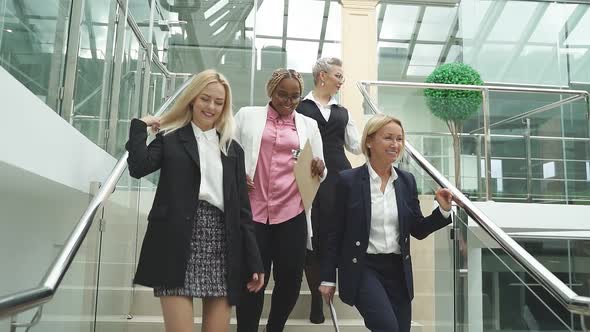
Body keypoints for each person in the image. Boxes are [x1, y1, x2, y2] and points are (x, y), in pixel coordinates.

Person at [125, 69, 265, 332]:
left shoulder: (232, 149)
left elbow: (243, 212)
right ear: (192, 99)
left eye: (218, 102)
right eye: (205, 98)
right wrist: (140, 127)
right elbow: (138, 166)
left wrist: (254, 260)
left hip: (222, 241)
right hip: (177, 239)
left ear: (225, 107)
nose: (211, 106)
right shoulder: (170, 138)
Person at [319, 114, 454, 332]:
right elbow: (334, 232)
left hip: (398, 270)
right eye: (388, 137)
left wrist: (443, 211)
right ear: (369, 141)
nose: (395, 144)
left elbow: (417, 229)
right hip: (363, 267)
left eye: (399, 139)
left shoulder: (406, 181)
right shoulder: (348, 181)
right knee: (387, 327)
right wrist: (327, 277)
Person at [234, 68, 327, 332]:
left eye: (295, 96)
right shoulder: (247, 116)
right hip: (253, 212)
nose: (288, 101)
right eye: (282, 95)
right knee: (252, 278)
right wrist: (238, 174)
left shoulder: (309, 125)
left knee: (290, 281)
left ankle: (274, 328)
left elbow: (321, 166)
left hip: (292, 212)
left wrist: (320, 167)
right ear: (271, 92)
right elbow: (226, 151)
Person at [296, 57, 362, 324]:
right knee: (313, 238)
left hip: (339, 178)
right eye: (338, 75)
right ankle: (315, 296)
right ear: (321, 76)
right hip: (307, 176)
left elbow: (356, 146)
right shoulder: (300, 107)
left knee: (334, 234)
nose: (341, 80)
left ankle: (329, 293)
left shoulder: (343, 112)